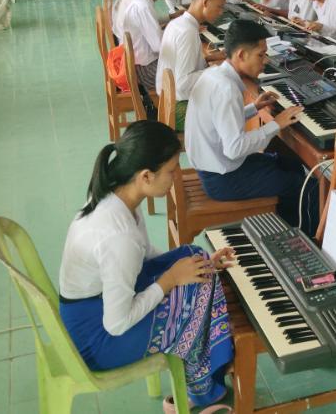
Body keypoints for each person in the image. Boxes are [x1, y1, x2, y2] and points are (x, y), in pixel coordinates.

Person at [59, 120, 235, 407]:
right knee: (195, 291)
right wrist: (170, 281)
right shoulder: (118, 237)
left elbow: (141, 252)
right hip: (96, 340)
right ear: (146, 176)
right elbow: (117, 323)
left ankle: (211, 364)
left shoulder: (117, 193)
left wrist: (195, 265)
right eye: (171, 170)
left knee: (195, 257)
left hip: (93, 305)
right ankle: (200, 388)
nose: (176, 176)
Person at [185, 19, 320, 233]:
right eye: (260, 55)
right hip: (222, 179)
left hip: (214, 168)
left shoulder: (214, 75)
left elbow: (220, 121)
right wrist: (276, 124)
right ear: (241, 55)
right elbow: (234, 148)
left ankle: (287, 227)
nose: (265, 61)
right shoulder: (226, 89)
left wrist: (254, 108)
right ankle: (307, 243)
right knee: (307, 187)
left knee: (291, 164)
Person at [155, 0, 230, 129]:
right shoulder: (187, 32)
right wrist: (218, 68)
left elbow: (180, 66)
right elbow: (183, 83)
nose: (221, 12)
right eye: (220, 7)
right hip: (178, 109)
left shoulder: (178, 23)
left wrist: (210, 58)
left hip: (168, 99)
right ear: (206, 3)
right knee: (232, 108)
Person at [122, 0, 175, 98]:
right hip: (146, 71)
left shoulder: (143, 1)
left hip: (142, 65)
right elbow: (158, 46)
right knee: (188, 73)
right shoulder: (144, 6)